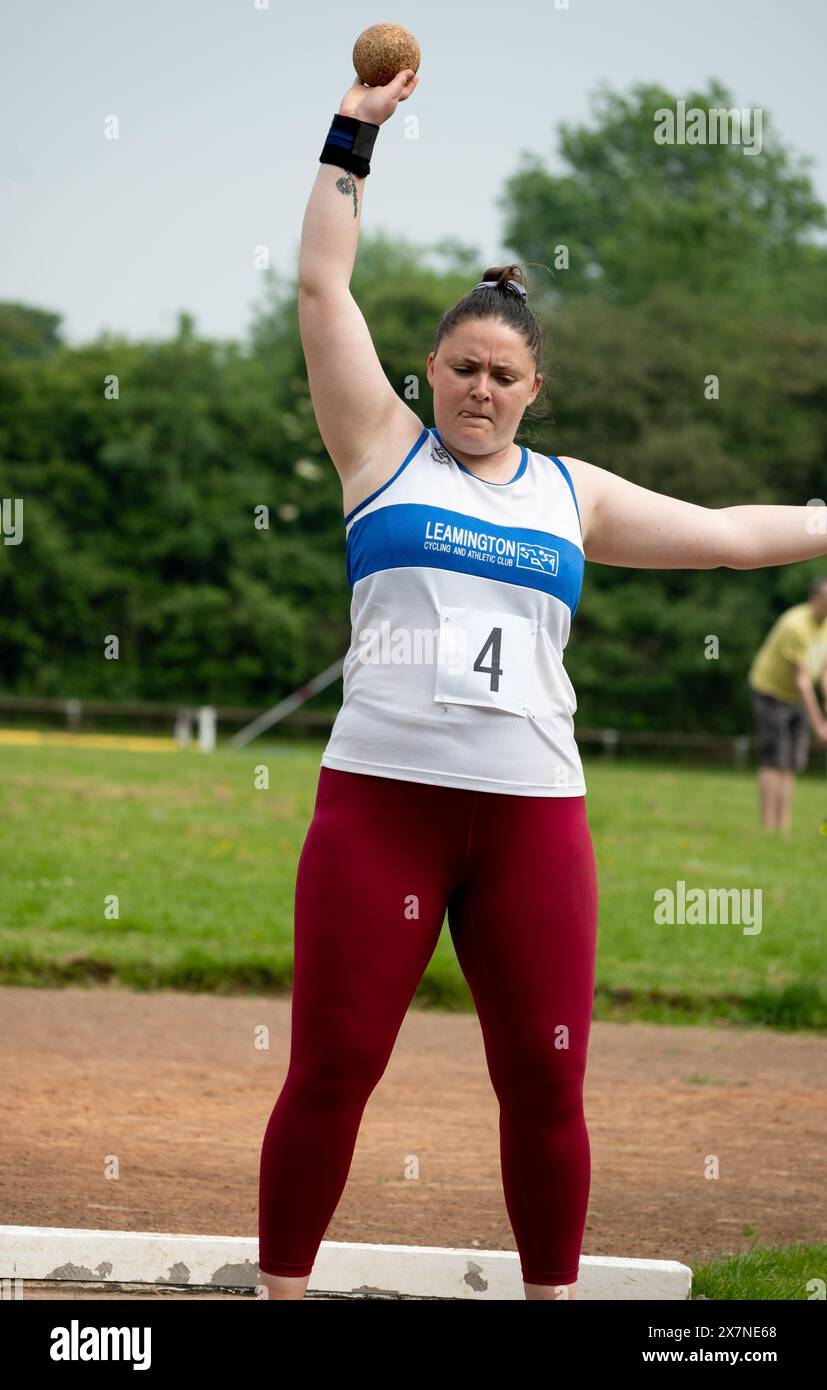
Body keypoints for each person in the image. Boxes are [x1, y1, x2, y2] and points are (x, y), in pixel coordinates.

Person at [258, 68, 827, 1302]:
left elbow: (734, 535)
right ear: (428, 368)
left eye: (502, 377)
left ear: (531, 390)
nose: (478, 389)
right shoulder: (376, 448)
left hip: (532, 819)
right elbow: (319, 282)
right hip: (382, 805)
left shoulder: (575, 495)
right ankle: (282, 1293)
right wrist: (354, 129)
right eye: (460, 368)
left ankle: (550, 1302)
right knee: (334, 1063)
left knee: (545, 1078)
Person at [747, 575, 827, 834]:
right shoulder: (795, 625)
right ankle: (768, 828)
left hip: (795, 697)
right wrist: (818, 725)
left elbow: (825, 672)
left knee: (791, 762)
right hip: (771, 692)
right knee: (775, 760)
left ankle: (783, 826)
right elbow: (802, 680)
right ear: (815, 598)